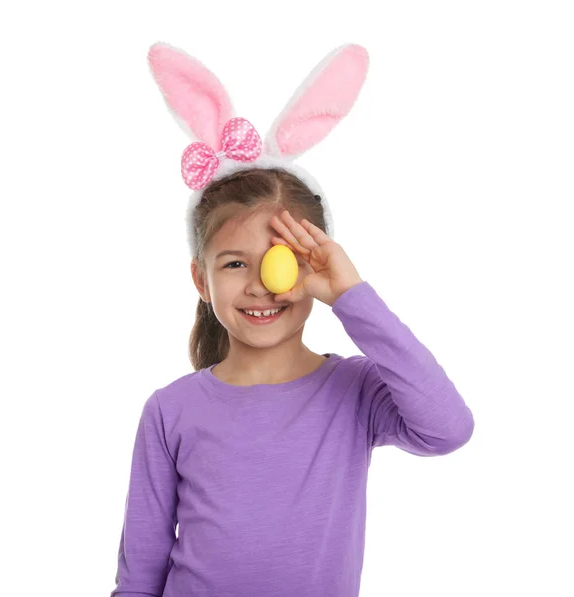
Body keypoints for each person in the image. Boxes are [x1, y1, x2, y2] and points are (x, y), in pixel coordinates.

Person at [109, 43, 475, 597]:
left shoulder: (355, 391)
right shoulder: (170, 410)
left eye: (283, 262)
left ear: (314, 263)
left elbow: (449, 428)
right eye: (234, 264)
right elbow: (140, 572)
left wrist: (352, 294)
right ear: (201, 280)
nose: (259, 284)